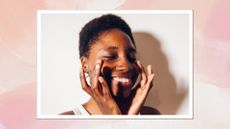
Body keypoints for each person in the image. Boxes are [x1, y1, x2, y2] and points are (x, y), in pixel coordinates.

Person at [61, 14, 160, 115]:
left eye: (132, 57)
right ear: (85, 65)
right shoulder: (64, 122)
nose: (126, 66)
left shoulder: (151, 115)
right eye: (110, 56)